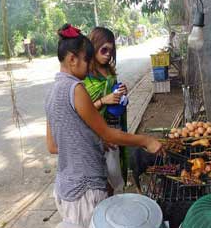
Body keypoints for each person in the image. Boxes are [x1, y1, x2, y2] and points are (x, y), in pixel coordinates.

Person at [45, 23, 162, 228]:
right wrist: (146, 140)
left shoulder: (52, 93)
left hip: (64, 190)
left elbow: (53, 146)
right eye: (86, 59)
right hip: (86, 192)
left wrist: (90, 140)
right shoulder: (76, 88)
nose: (90, 64)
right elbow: (108, 134)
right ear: (72, 59)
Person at [83, 27, 128, 194]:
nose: (108, 54)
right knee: (103, 180)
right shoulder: (85, 76)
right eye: (104, 50)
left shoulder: (109, 71)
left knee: (116, 175)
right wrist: (103, 101)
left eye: (111, 50)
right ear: (93, 47)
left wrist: (121, 91)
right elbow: (82, 112)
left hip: (115, 129)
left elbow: (113, 95)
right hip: (97, 135)